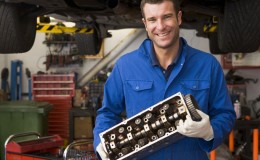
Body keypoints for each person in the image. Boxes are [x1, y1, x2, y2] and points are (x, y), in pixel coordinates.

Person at [93, 0, 236, 159]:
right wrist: (101, 144)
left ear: (179, 17)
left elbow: (225, 113)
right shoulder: (125, 66)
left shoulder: (208, 65)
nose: (160, 26)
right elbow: (108, 112)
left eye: (167, 17)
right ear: (145, 24)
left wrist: (211, 131)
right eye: (152, 20)